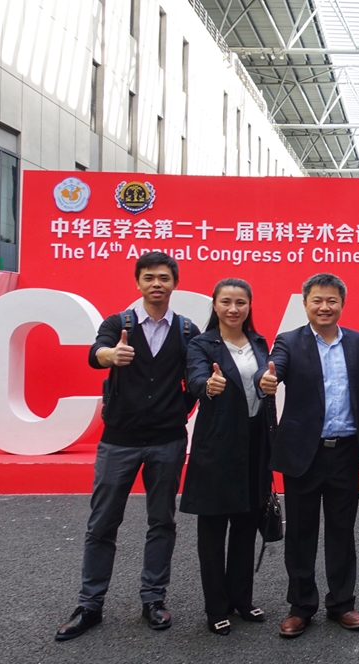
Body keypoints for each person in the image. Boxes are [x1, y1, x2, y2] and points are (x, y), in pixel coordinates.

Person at [55, 251, 200, 641]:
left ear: (175, 283)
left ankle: (154, 599)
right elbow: (96, 352)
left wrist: (180, 409)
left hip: (167, 441)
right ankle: (90, 605)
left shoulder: (187, 330)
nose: (156, 284)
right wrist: (111, 355)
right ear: (138, 283)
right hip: (118, 441)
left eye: (164, 278)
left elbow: (197, 376)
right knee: (102, 524)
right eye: (149, 277)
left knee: (162, 522)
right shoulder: (118, 323)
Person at [257, 273, 359, 639]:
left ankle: (342, 603)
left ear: (342, 304)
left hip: (345, 452)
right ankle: (301, 606)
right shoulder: (289, 341)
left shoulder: (358, 342)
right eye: (317, 301)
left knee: (342, 532)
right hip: (303, 454)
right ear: (305, 303)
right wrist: (267, 380)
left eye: (331, 301)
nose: (324, 307)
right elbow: (274, 368)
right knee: (301, 533)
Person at [181, 278, 275, 635]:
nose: (233, 309)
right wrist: (208, 386)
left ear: (249, 306)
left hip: (255, 444)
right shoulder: (201, 344)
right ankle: (216, 607)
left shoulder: (259, 342)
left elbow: (265, 384)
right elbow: (195, 379)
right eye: (226, 302)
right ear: (215, 305)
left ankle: (242, 599)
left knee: (246, 526)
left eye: (240, 303)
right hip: (218, 446)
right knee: (213, 532)